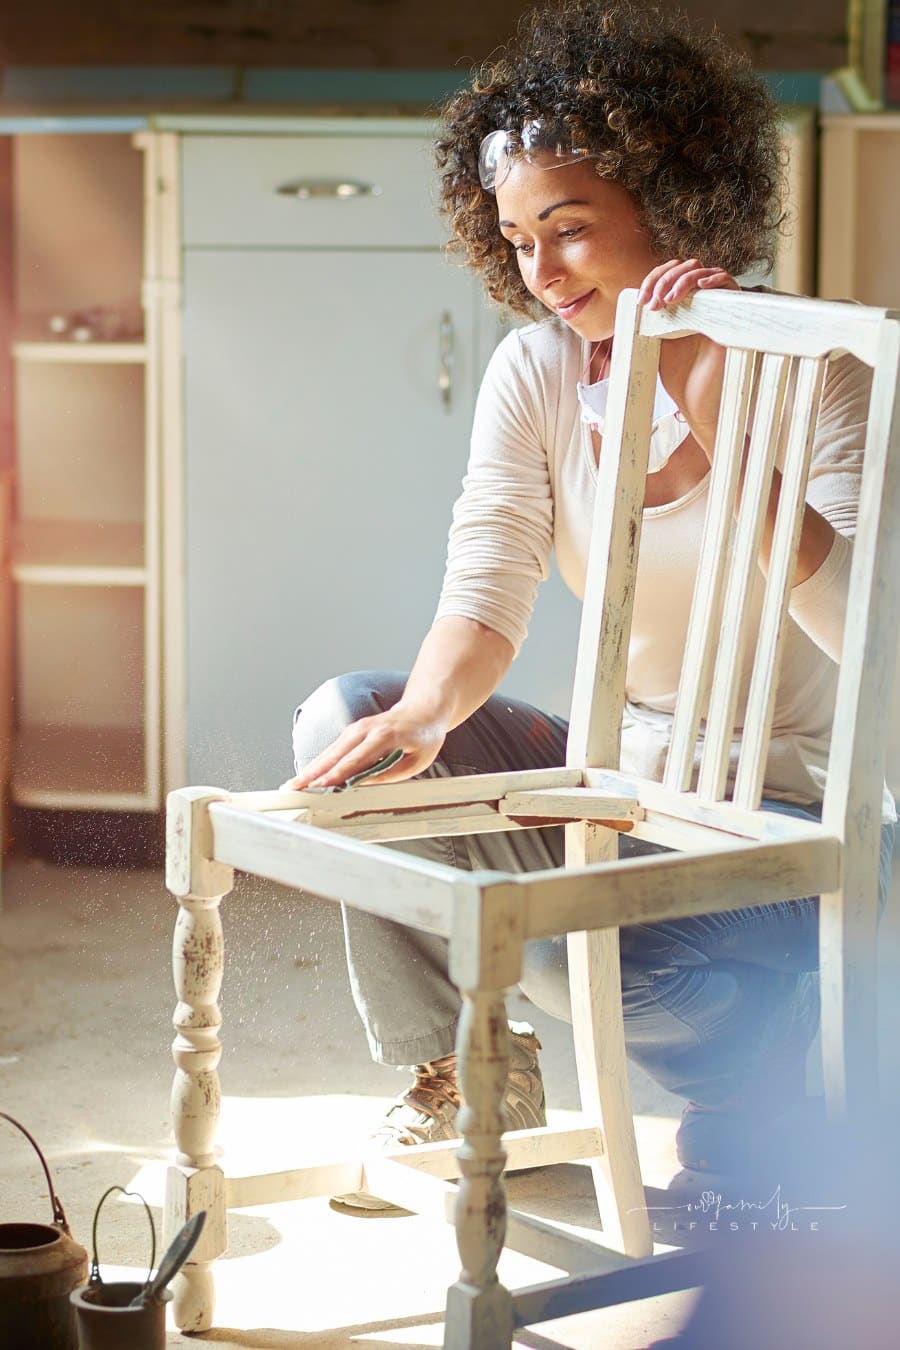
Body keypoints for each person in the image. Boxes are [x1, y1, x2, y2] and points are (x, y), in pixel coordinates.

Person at [283, 0, 896, 1209]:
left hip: (792, 844)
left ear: (671, 203)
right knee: (345, 723)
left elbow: (863, 643)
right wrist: (425, 715)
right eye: (516, 240)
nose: (541, 272)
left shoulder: (818, 371)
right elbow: (487, 583)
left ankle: (774, 1091)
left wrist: (712, 394)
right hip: (630, 793)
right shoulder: (539, 371)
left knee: (583, 944)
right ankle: (473, 1075)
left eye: (569, 230)